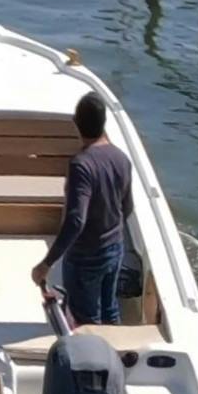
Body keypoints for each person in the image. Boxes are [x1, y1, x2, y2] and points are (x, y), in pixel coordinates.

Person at [30, 92, 133, 326]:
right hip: (115, 248)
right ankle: (115, 346)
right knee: (110, 312)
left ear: (76, 124)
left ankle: (91, 348)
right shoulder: (122, 159)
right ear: (104, 122)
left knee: (86, 321)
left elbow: (76, 220)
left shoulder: (81, 165)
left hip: (86, 256)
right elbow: (127, 207)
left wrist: (46, 264)